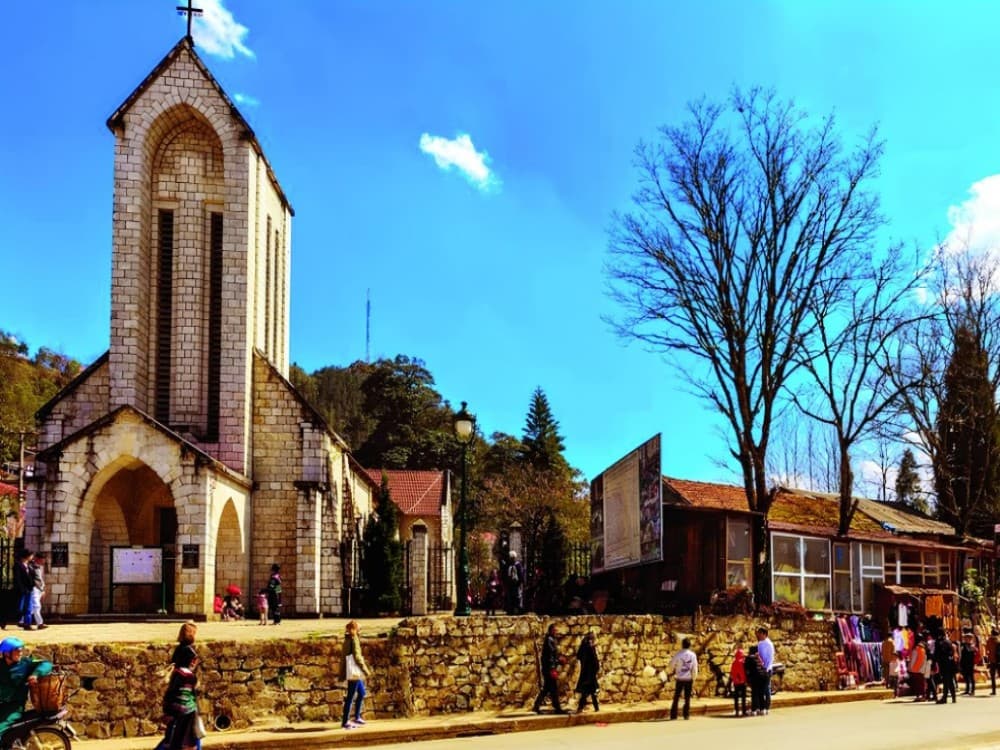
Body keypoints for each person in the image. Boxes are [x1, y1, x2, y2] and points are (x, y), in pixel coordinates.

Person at [156, 621, 202, 750]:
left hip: (177, 711)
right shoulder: (189, 676)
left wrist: (168, 712)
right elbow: (186, 697)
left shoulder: (177, 673)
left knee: (172, 740)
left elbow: (171, 694)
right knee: (186, 743)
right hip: (186, 712)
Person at [0, 636, 52, 737]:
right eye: (17, 651)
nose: (20, 653)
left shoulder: (26, 663)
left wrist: (36, 674)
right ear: (7, 653)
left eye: (21, 650)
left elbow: (46, 664)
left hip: (13, 708)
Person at [341, 620, 371, 729]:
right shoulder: (354, 640)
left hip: (353, 671)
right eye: (358, 627)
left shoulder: (348, 639)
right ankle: (345, 722)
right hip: (354, 672)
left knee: (361, 693)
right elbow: (357, 658)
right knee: (350, 697)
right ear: (354, 629)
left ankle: (357, 717)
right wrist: (365, 670)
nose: (360, 629)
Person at [531, 624, 566, 714]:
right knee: (553, 688)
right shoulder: (549, 641)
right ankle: (557, 708)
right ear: (551, 631)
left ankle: (537, 706)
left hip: (548, 668)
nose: (556, 632)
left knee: (547, 688)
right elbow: (550, 656)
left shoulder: (550, 640)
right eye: (555, 630)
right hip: (549, 669)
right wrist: (553, 668)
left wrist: (558, 660)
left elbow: (552, 656)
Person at [669, 637, 698, 720]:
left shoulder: (678, 654)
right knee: (687, 697)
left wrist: (674, 670)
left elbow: (671, 664)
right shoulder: (692, 655)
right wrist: (694, 677)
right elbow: (695, 668)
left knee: (676, 696)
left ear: (682, 645)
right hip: (688, 679)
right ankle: (686, 714)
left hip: (680, 678)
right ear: (690, 645)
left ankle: (673, 715)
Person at [574, 632, 600, 713]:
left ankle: (594, 707)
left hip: (585, 671)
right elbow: (594, 660)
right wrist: (596, 668)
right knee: (590, 690)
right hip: (590, 672)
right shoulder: (590, 647)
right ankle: (589, 707)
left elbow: (578, 656)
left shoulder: (583, 645)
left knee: (589, 690)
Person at [755, 627, 775, 714]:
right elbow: (759, 656)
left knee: (766, 689)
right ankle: (761, 707)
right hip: (761, 668)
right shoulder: (759, 644)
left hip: (767, 669)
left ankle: (766, 707)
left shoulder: (769, 644)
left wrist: (767, 668)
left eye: (760, 633)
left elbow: (770, 658)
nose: (758, 635)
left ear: (764, 634)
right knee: (760, 689)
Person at [934, 631, 957, 704]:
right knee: (950, 681)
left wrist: (936, 663)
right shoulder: (949, 642)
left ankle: (944, 698)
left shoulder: (939, 642)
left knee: (946, 681)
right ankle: (953, 697)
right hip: (950, 663)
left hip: (944, 664)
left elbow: (937, 654)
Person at [12, 550, 33, 630]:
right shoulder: (18, 565)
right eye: (30, 555)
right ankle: (13, 620)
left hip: (28, 589)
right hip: (22, 590)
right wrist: (21, 588)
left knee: (28, 608)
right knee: (20, 608)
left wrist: (32, 585)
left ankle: (27, 624)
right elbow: (17, 579)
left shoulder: (29, 565)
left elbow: (31, 577)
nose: (32, 557)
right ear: (26, 556)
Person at [27, 554, 46, 631]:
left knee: (32, 608)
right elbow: (32, 578)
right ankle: (40, 623)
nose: (43, 561)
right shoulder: (31, 566)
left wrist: (43, 588)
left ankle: (22, 621)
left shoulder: (39, 567)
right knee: (36, 606)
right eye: (42, 559)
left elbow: (40, 578)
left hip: (39, 588)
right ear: (37, 559)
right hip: (34, 588)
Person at [908, 637, 928, 702]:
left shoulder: (919, 649)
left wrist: (913, 668)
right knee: (919, 684)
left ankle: (922, 696)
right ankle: (920, 696)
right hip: (917, 669)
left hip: (918, 669)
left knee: (920, 684)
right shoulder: (919, 649)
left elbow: (919, 660)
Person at [730, 648, 748, 717]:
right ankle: (744, 711)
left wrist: (734, 679)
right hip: (742, 682)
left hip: (736, 682)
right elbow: (744, 673)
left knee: (736, 697)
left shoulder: (734, 663)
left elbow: (732, 673)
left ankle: (737, 711)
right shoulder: (743, 662)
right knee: (743, 697)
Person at [960, 631, 977, 696]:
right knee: (966, 677)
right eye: (965, 638)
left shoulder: (972, 646)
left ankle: (972, 690)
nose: (966, 639)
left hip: (971, 664)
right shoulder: (964, 645)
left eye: (967, 638)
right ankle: (967, 690)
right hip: (964, 663)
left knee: (971, 677)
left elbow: (974, 656)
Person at [987, 628, 999, 696]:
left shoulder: (989, 641)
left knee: (993, 676)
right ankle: (993, 690)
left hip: (993, 661)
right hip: (997, 661)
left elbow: (987, 649)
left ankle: (994, 691)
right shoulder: (998, 640)